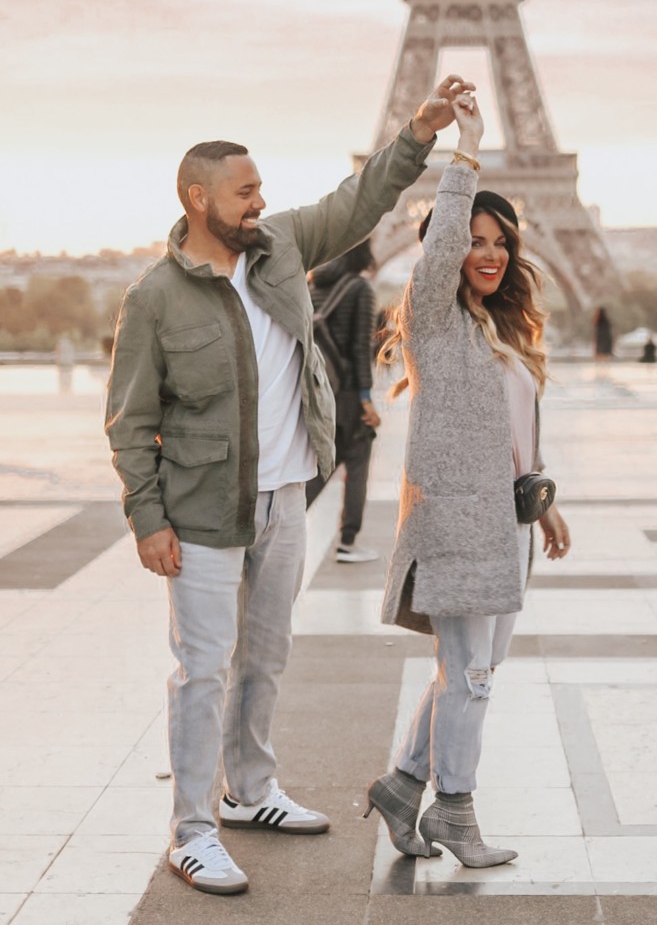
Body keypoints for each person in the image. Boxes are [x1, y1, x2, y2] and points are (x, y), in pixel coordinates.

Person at [105, 74, 474, 896]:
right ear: (199, 199)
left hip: (284, 499)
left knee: (265, 658)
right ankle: (193, 830)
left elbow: (360, 199)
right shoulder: (155, 299)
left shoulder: (281, 249)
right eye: (245, 192)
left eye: (261, 189)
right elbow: (129, 420)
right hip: (201, 513)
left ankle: (251, 790)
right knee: (203, 669)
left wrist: (419, 131)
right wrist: (146, 518)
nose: (259, 202)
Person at [363, 93, 571, 869]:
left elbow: (515, 436)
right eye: (472, 241)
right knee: (472, 679)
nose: (487, 253)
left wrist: (543, 501)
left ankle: (403, 783)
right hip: (456, 526)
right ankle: (454, 811)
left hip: (505, 528)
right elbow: (445, 239)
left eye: (500, 243)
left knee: (470, 675)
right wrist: (469, 147)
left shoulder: (500, 330)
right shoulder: (437, 323)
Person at [305, 238, 382, 562]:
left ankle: (283, 525)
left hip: (319, 393)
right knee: (358, 462)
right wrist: (366, 400)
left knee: (322, 466)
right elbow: (361, 351)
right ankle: (348, 541)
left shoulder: (312, 285)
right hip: (349, 395)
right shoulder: (360, 289)